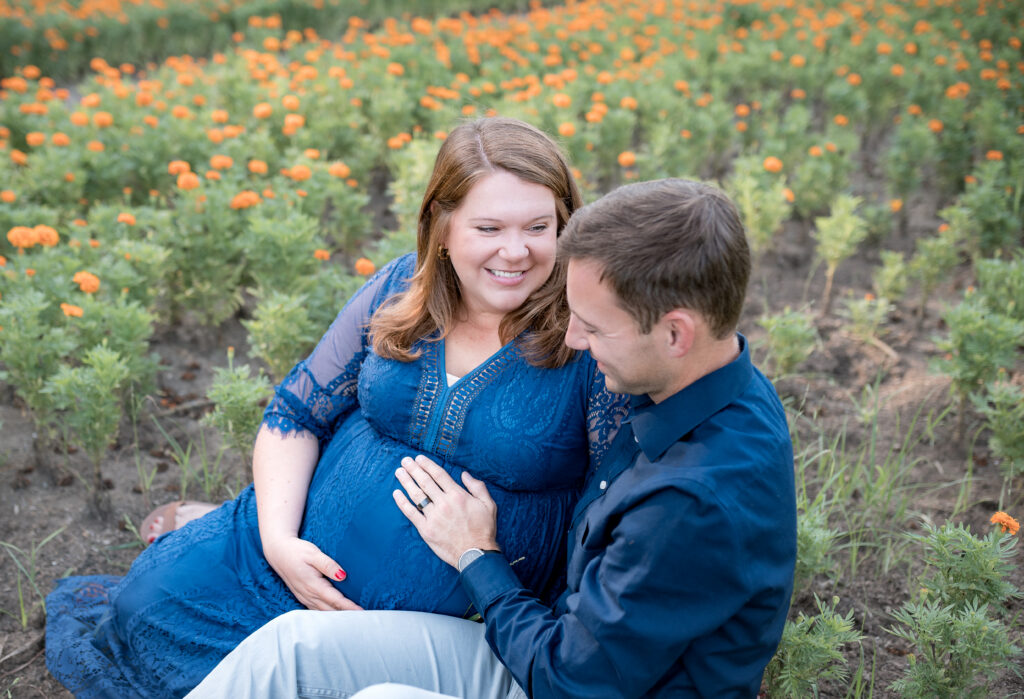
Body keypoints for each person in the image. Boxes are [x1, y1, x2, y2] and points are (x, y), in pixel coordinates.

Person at [44, 117, 628, 699]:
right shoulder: (401, 289)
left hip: (441, 620)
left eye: (538, 226)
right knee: (147, 604)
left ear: (565, 227)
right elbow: (294, 415)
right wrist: (279, 542)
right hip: (289, 550)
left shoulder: (586, 337)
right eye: (489, 227)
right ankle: (222, 524)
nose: (516, 250)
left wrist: (500, 572)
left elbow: (612, 511)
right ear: (442, 228)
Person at [188, 177, 798, 698]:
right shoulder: (712, 373)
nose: (576, 343)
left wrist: (476, 557)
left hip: (568, 677)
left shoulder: (693, 502)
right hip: (557, 642)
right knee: (291, 649)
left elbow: (570, 680)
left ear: (676, 334)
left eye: (593, 327)